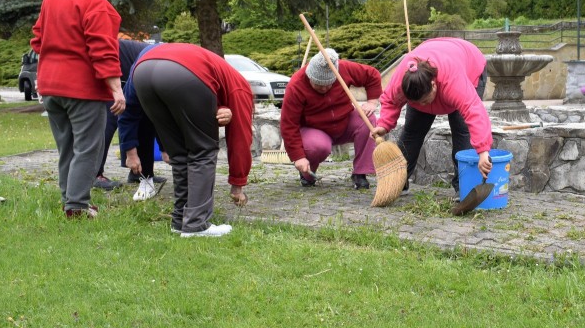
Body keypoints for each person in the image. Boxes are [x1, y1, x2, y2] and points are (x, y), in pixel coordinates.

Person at [122, 43, 254, 237]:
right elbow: (240, 138)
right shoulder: (241, 88)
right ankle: (196, 224)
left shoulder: (219, 73)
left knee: (179, 154)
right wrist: (237, 184)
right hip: (182, 72)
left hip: (142, 71)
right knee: (203, 151)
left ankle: (180, 221)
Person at [30, 0, 126, 219]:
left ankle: (69, 200)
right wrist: (117, 90)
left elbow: (38, 39)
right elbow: (104, 51)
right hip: (82, 89)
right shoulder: (97, 3)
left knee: (67, 147)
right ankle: (77, 206)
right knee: (88, 148)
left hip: (50, 87)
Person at [372, 37, 493, 192]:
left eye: (424, 100)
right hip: (435, 54)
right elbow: (390, 100)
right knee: (412, 130)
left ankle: (464, 186)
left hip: (468, 63)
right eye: (417, 102)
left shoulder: (453, 82)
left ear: (433, 85)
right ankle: (398, 181)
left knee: (462, 130)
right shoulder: (405, 80)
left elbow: (474, 112)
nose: (422, 105)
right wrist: (384, 124)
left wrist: (483, 151)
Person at [279, 48, 382, 189]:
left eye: (329, 84)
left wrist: (372, 101)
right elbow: (288, 125)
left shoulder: (343, 68)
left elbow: (372, 74)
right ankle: (308, 174)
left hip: (344, 121)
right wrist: (298, 157)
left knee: (368, 119)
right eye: (319, 85)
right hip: (315, 130)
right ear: (310, 77)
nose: (324, 89)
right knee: (316, 147)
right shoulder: (296, 85)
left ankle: (360, 173)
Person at [93, 38, 167, 199]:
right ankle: (95, 174)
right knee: (109, 121)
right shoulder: (102, 45)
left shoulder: (163, 58)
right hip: (112, 78)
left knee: (144, 121)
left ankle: (138, 172)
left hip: (129, 76)